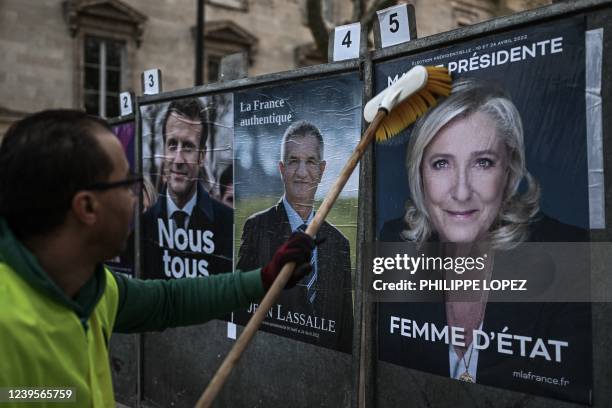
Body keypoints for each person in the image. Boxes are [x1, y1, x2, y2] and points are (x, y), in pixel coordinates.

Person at [0, 110, 315, 407]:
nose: (136, 197)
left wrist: (263, 278)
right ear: (87, 207)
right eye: (127, 183)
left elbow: (170, 301)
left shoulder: (92, 286)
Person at [378, 79, 591, 401]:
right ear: (419, 175)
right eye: (441, 163)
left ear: (509, 172)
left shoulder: (571, 255)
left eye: (483, 162)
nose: (461, 191)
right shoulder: (395, 242)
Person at [237, 120, 353, 353]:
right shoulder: (257, 228)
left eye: (310, 162)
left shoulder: (339, 243)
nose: (301, 172)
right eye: (293, 161)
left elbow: (345, 330)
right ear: (282, 169)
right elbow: (240, 308)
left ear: (322, 171)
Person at [142, 98, 233, 279]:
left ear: (202, 156)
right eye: (172, 145)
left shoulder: (227, 225)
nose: (178, 159)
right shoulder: (143, 226)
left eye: (188, 147)